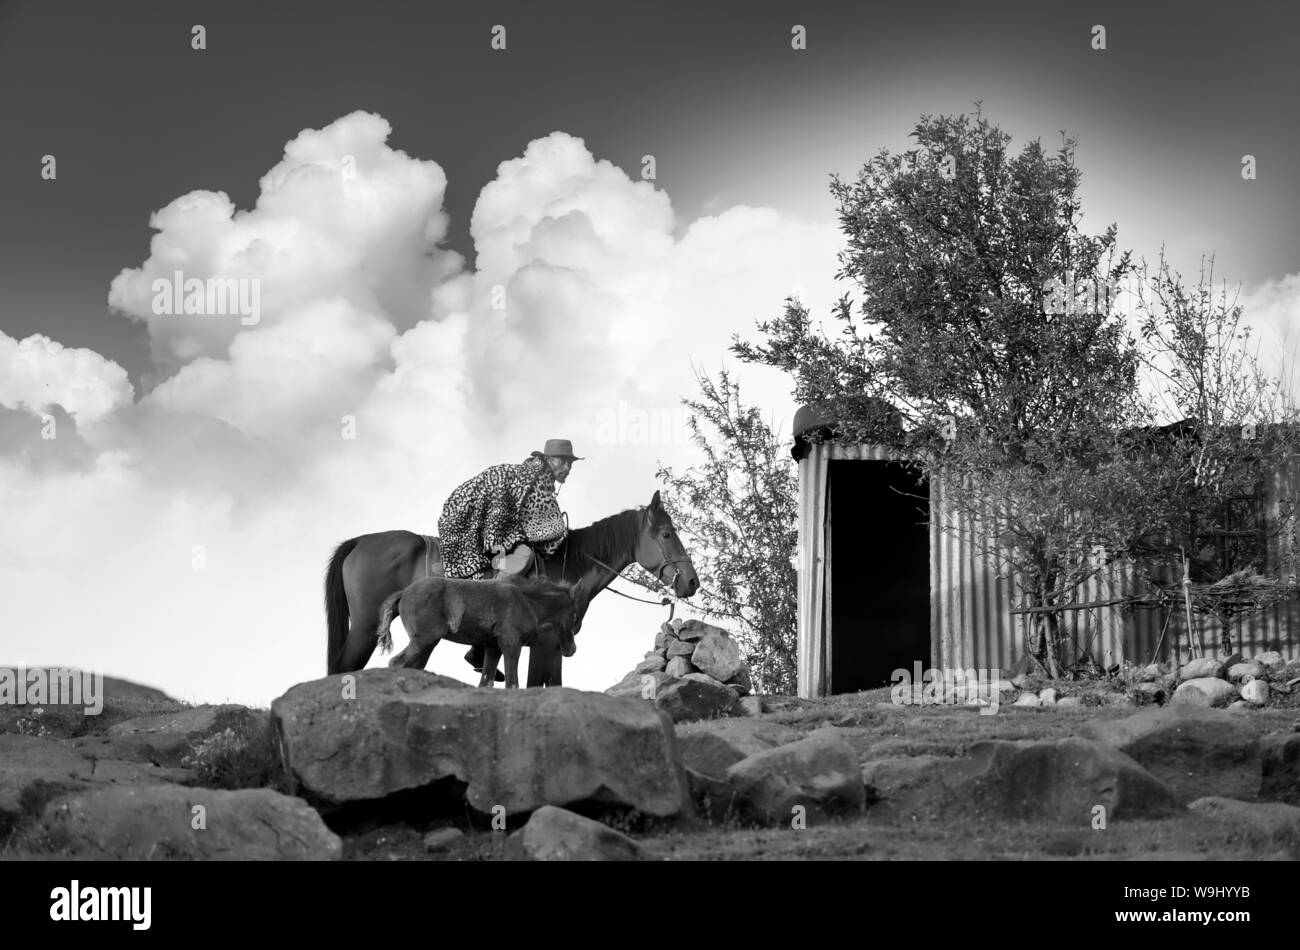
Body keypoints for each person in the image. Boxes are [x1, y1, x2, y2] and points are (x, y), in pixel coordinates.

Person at [438, 439, 583, 674]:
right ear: (551, 460)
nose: (568, 469)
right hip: (479, 526)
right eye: (565, 463)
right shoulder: (535, 479)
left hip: (476, 518)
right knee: (524, 554)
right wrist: (558, 529)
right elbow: (533, 528)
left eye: (570, 464)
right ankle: (495, 595)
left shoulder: (536, 475)